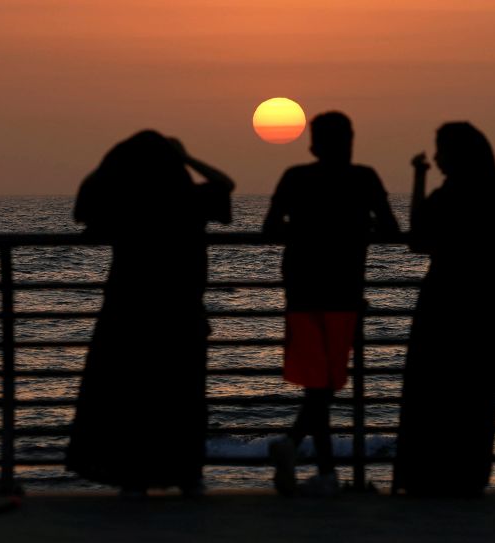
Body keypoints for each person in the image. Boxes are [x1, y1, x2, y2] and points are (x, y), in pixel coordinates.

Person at [393, 122, 495, 497]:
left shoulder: (448, 195)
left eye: (441, 151)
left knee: (432, 393)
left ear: (455, 155)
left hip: (442, 303)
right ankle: (468, 476)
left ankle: (424, 476)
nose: (437, 158)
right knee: (477, 394)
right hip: (488, 305)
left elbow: (418, 238)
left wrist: (418, 177)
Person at [65, 130, 234, 497]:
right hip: (181, 315)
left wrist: (111, 162)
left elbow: (83, 207)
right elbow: (225, 183)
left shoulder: (124, 205)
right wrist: (187, 157)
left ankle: (134, 478)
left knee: (132, 399)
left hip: (128, 316)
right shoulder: (190, 200)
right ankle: (186, 475)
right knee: (183, 398)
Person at [263, 111, 400, 496]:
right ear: (349, 142)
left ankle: (318, 466)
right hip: (343, 291)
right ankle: (305, 455)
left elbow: (270, 229)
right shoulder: (365, 178)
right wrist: (358, 227)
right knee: (324, 384)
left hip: (302, 289)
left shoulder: (295, 177)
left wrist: (303, 229)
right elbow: (392, 229)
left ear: (313, 145)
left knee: (316, 384)